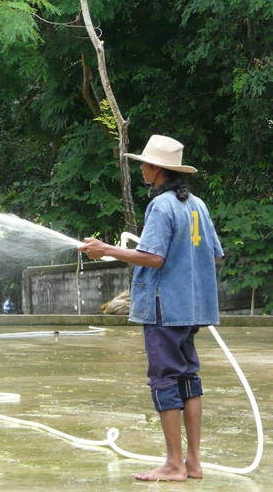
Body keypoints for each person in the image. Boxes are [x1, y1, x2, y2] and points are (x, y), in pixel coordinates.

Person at [78, 134, 223, 482]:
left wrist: (106, 249)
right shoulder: (197, 205)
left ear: (158, 169)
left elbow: (153, 258)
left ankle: (174, 465)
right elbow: (215, 256)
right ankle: (193, 463)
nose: (141, 168)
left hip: (164, 308)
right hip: (191, 307)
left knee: (164, 380)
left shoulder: (161, 206)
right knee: (188, 378)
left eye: (144, 163)